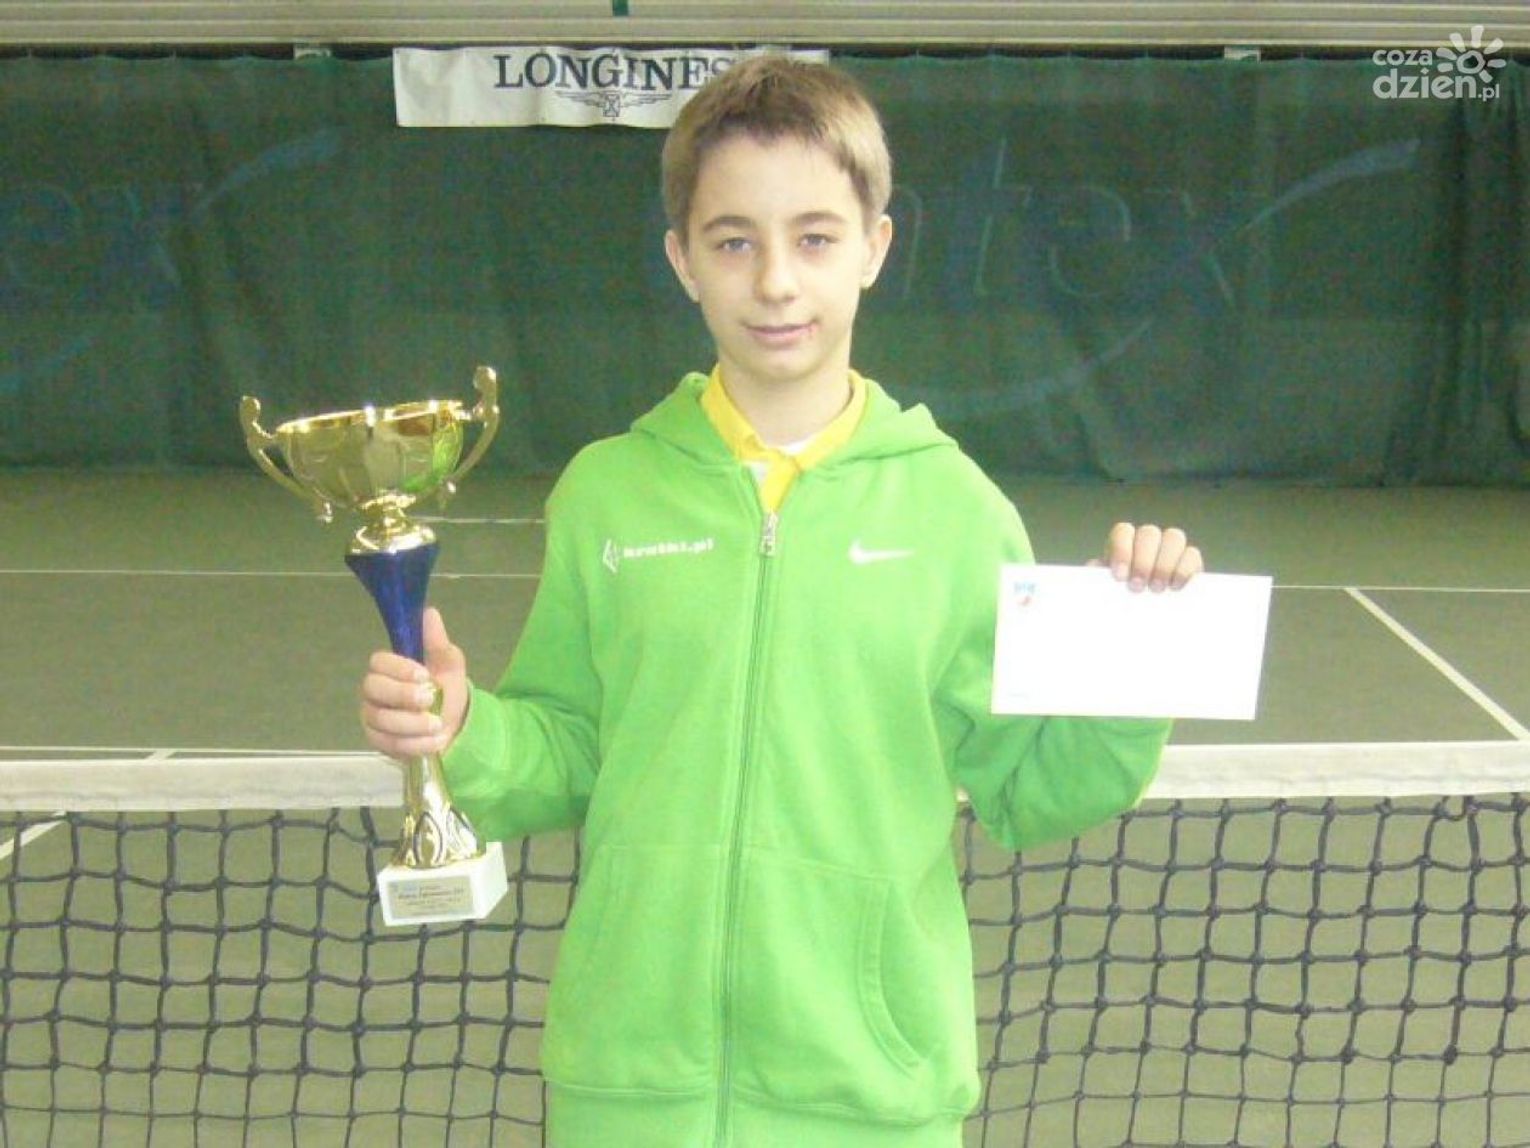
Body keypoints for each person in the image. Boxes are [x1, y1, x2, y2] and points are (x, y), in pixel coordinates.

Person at [361, 55, 1203, 1148]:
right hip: (630, 1091)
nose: (775, 282)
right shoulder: (607, 492)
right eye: (733, 242)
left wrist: (1133, 666)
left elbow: (1030, 788)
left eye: (814, 238)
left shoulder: (959, 511)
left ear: (874, 248)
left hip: (870, 1099)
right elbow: (572, 747)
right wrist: (466, 726)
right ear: (682, 259)